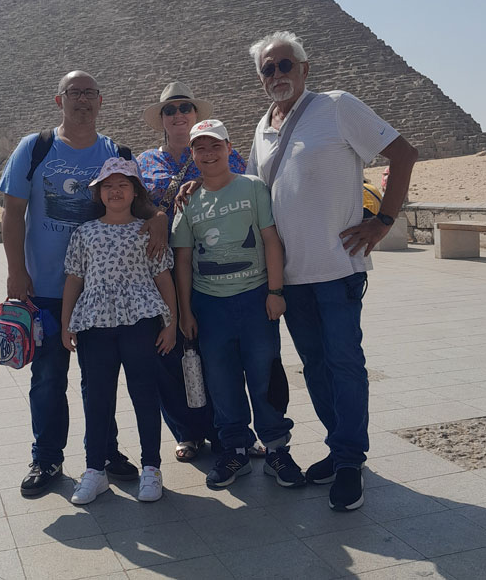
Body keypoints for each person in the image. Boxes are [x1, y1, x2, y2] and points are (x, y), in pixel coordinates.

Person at [246, 30, 418, 511]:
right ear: (261, 78)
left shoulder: (337, 106)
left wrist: (383, 220)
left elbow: (403, 153)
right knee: (317, 367)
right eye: (268, 68)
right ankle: (342, 450)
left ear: (305, 69)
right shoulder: (262, 128)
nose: (277, 74)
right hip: (292, 277)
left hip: (338, 268)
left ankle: (347, 460)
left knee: (344, 363)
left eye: (285, 65)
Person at [0, 70, 168, 498]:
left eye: (90, 93)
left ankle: (105, 454)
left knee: (99, 381)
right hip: (47, 289)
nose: (83, 101)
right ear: (60, 101)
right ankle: (47, 457)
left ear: (101, 100)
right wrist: (17, 271)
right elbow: (13, 211)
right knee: (49, 376)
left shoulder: (115, 152)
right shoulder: (34, 149)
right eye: (75, 93)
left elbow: (141, 202)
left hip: (103, 299)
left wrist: (161, 218)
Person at [173, 119, 306, 490]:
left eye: (215, 145)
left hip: (254, 299)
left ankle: (278, 448)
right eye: (200, 147)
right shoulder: (188, 200)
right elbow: (183, 259)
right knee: (221, 382)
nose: (208, 153)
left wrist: (276, 292)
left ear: (230, 148)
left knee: (266, 376)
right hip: (210, 305)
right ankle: (234, 449)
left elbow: (270, 240)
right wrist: (186, 312)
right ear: (193, 154)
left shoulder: (252, 187)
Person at [138, 82, 261, 463]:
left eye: (185, 108)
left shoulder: (229, 155)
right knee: (168, 353)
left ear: (197, 115)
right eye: (170, 110)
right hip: (160, 270)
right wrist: (157, 214)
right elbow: (129, 203)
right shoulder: (142, 163)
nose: (178, 115)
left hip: (215, 269)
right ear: (161, 119)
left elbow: (245, 194)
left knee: (218, 353)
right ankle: (186, 431)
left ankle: (230, 430)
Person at [61, 158, 178, 504]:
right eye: (108, 185)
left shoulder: (147, 230)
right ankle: (95, 470)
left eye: (123, 185)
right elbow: (74, 278)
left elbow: (162, 276)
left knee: (144, 393)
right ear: (98, 193)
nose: (115, 191)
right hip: (95, 322)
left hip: (140, 320)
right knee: (97, 397)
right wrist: (67, 322)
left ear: (135, 191)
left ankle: (151, 468)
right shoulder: (85, 233)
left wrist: (169, 322)